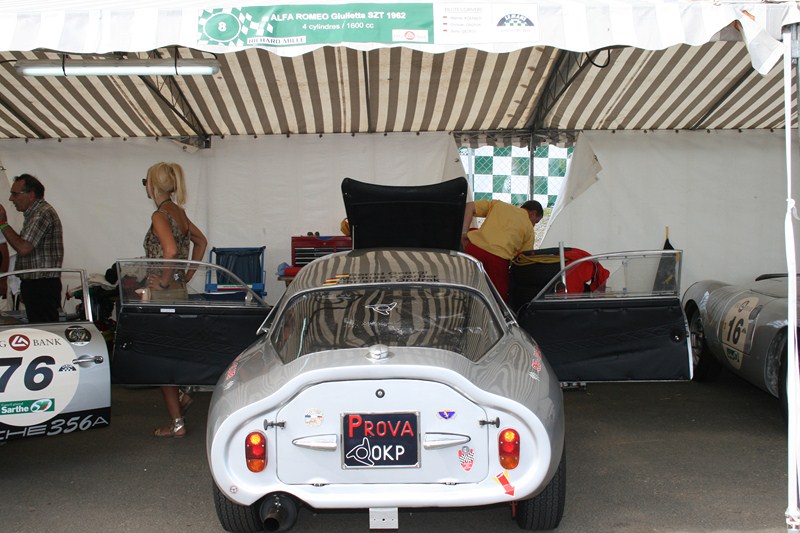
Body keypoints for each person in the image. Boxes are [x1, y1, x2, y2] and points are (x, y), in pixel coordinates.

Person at [142, 162, 207, 438]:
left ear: (152, 185)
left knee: (161, 359)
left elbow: (169, 250)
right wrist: (185, 275)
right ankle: (182, 396)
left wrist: (165, 280)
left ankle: (177, 423)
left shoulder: (160, 215)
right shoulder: (179, 213)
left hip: (163, 292)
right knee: (173, 352)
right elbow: (201, 242)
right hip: (179, 291)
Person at [0, 174, 63, 323]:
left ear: (31, 195)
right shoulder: (35, 214)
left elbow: (23, 247)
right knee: (39, 326)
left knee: (44, 329)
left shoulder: (42, 213)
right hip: (35, 282)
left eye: (15, 194)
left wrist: (3, 223)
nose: (11, 199)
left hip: (42, 284)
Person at [461, 199, 543, 302]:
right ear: (533, 214)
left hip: (474, 249)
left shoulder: (498, 204)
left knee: (464, 289)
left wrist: (463, 233)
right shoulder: (529, 228)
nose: (534, 225)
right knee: (498, 299)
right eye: (535, 222)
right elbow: (524, 259)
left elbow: (469, 206)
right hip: (498, 260)